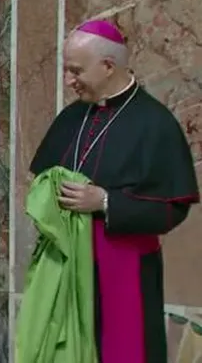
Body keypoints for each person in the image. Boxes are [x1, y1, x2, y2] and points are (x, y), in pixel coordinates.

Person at [29, 19, 199, 363]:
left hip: (124, 268)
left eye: (76, 71)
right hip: (66, 265)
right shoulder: (72, 117)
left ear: (108, 66)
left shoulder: (155, 123)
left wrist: (105, 201)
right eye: (66, 70)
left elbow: (171, 209)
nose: (68, 81)